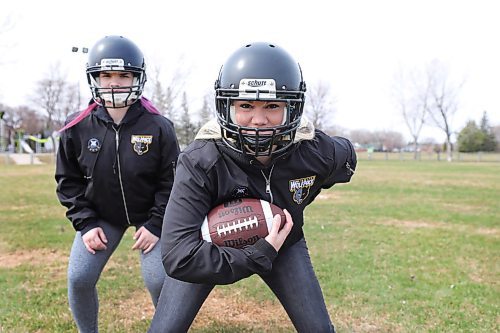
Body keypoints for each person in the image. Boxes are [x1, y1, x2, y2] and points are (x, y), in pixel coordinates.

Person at [148, 42, 357, 333]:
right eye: (246, 105)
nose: (259, 120)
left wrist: (307, 184)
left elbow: (347, 157)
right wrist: (258, 253)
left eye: (272, 106)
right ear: (228, 106)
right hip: (211, 244)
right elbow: (179, 257)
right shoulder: (201, 160)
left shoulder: (312, 151)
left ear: (291, 107)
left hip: (283, 243)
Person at [55, 35, 180, 333]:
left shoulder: (159, 126)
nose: (114, 83)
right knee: (79, 277)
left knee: (159, 279)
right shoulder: (76, 127)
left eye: (124, 75)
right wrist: (85, 223)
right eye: (106, 75)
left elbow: (172, 181)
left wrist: (156, 224)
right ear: (94, 77)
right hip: (102, 217)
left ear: (138, 78)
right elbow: (67, 181)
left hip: (151, 217)